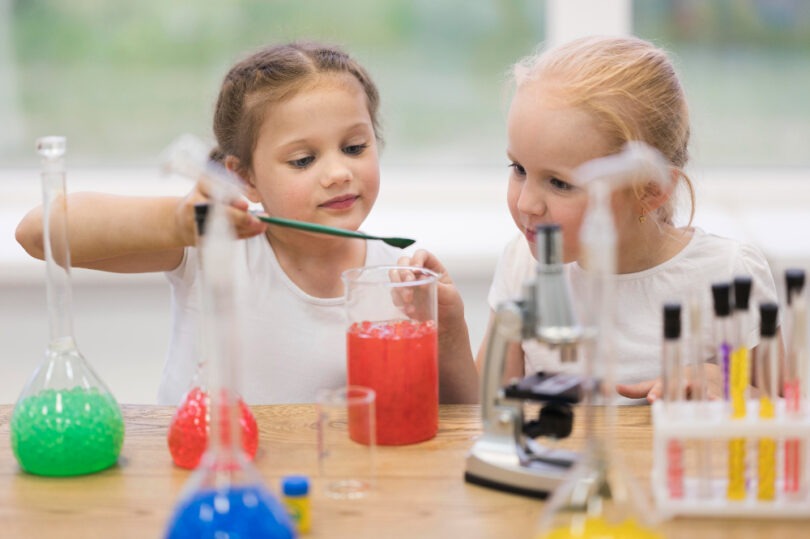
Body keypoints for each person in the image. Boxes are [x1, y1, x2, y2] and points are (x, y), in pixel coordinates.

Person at [15, 41, 479, 405]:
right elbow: (37, 233)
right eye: (303, 159)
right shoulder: (209, 248)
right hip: (203, 484)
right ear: (244, 177)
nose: (339, 172)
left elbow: (466, 420)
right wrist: (177, 223)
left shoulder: (399, 278)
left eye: (355, 147)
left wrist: (449, 324)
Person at [401, 35, 778, 404]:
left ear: (650, 191)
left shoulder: (728, 278)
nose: (527, 203)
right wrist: (449, 329)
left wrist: (729, 386)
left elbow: (785, 413)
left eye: (559, 183)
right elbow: (483, 413)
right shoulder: (522, 265)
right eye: (518, 168)